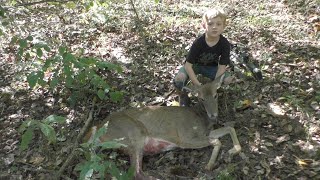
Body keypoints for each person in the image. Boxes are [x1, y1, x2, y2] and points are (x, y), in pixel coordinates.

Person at [173, 7, 233, 106]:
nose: (214, 27)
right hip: (195, 66)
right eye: (210, 24)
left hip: (212, 68)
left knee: (227, 79)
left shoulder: (224, 44)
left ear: (224, 26)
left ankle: (215, 95)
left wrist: (214, 84)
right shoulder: (199, 42)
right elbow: (188, 66)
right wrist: (196, 83)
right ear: (204, 25)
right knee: (179, 79)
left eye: (218, 24)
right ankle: (183, 96)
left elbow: (222, 66)